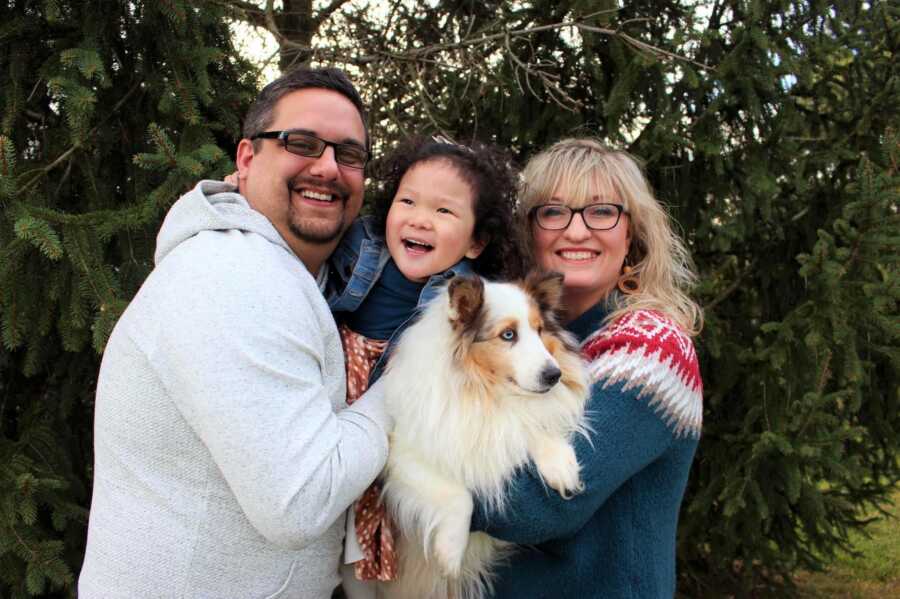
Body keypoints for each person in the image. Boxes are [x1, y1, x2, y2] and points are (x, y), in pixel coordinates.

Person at [78, 67, 391, 599]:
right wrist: (408, 384)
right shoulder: (234, 276)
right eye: (302, 143)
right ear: (247, 159)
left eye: (350, 154)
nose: (329, 167)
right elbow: (299, 501)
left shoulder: (288, 273)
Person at [470, 138, 704, 598]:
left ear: (631, 234)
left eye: (601, 212)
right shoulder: (520, 344)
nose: (576, 232)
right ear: (528, 230)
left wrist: (412, 470)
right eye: (553, 212)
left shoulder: (651, 348)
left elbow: (537, 503)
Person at [325, 136, 520, 598]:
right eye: (407, 201)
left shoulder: (472, 304)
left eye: (443, 211)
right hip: (334, 404)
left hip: (394, 433)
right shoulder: (359, 242)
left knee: (370, 556)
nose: (419, 218)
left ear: (476, 241)